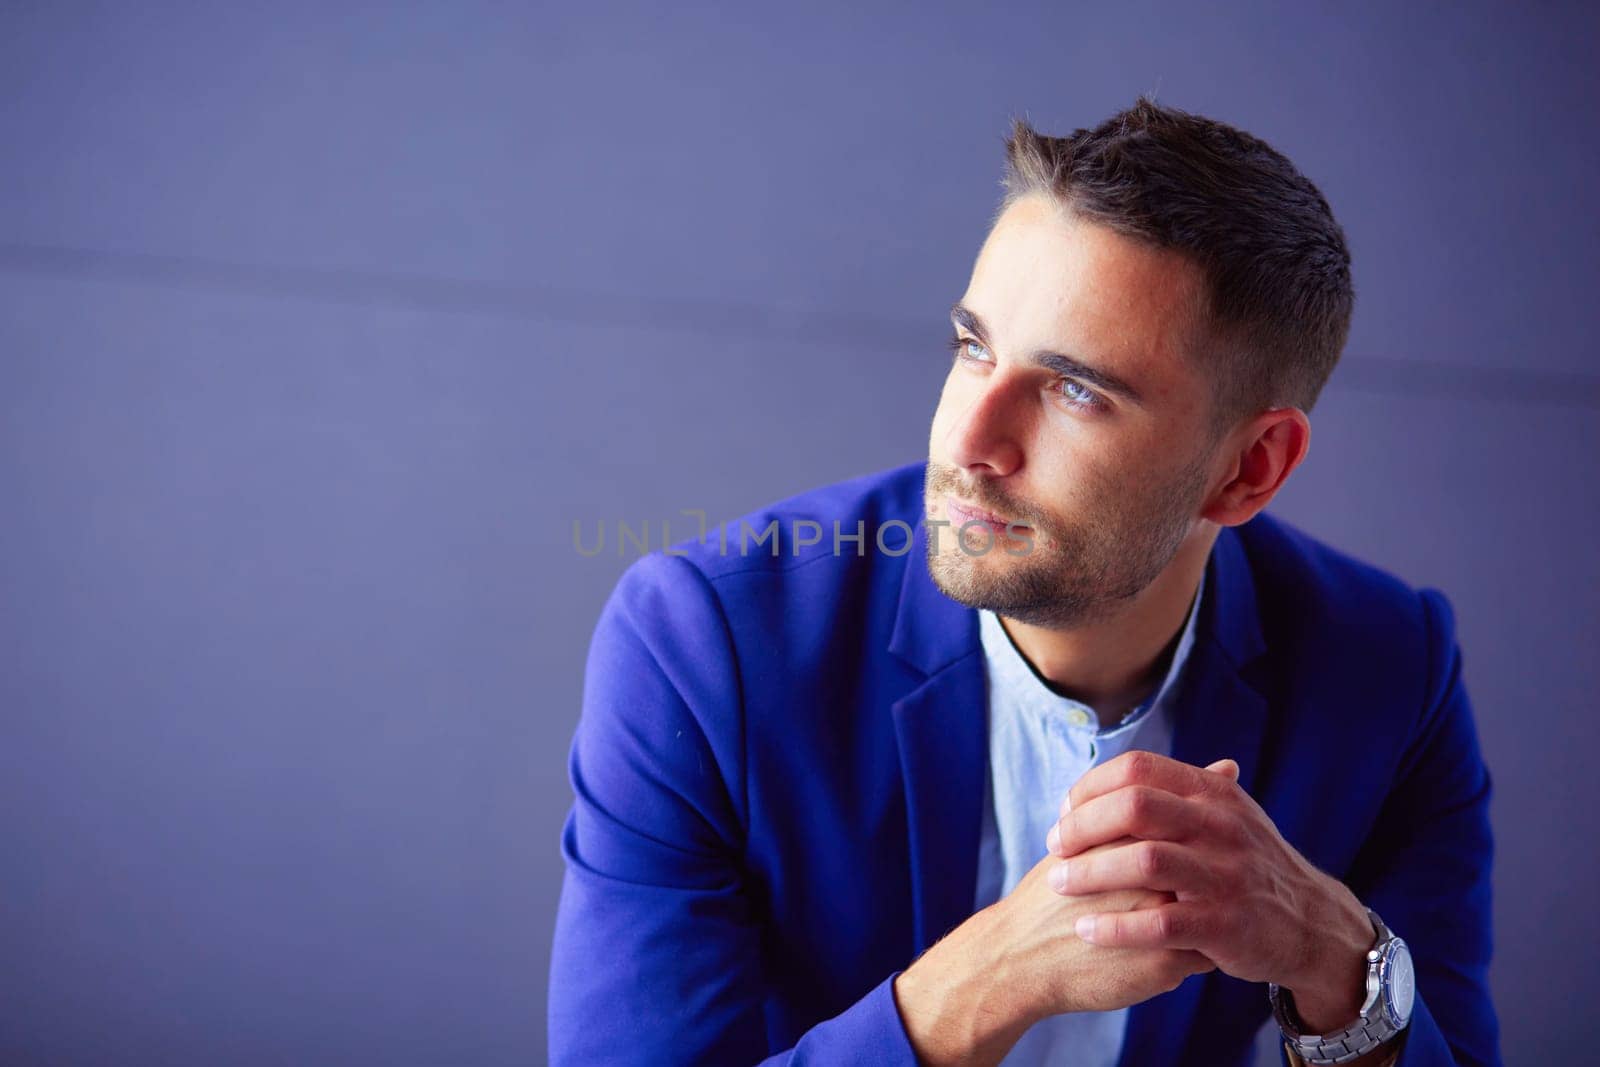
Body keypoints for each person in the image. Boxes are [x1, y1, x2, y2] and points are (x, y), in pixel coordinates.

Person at [548, 96, 1499, 1066]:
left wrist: (1336, 959)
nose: (966, 439)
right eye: (973, 347)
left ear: (1247, 468)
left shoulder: (1388, 668)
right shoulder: (703, 644)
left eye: (1074, 389)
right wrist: (990, 978)